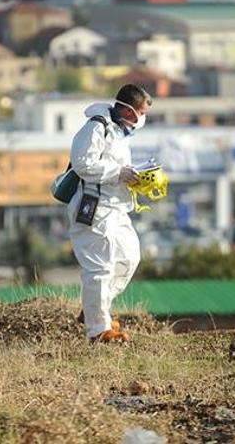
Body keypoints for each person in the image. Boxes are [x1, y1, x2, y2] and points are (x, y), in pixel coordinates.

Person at [67, 84, 152, 343]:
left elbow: (114, 166)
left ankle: (95, 308)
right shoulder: (96, 127)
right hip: (94, 207)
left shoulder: (121, 132)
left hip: (116, 206)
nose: (142, 118)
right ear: (127, 110)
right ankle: (98, 330)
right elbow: (83, 164)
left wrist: (134, 178)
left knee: (129, 257)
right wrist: (119, 173)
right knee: (100, 267)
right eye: (140, 112)